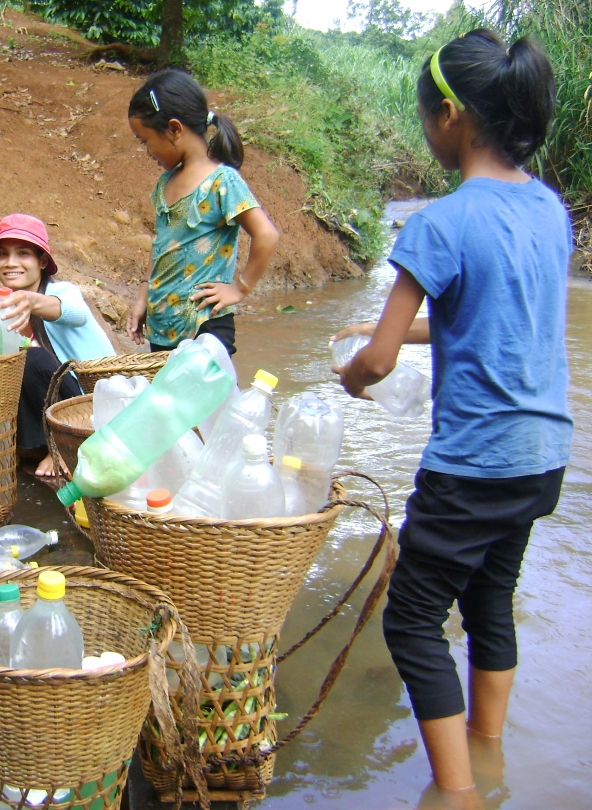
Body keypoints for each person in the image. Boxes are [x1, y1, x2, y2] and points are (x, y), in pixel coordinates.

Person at [333, 29, 571, 807]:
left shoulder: (438, 223)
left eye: (424, 117)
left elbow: (379, 362)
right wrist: (396, 336)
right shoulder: (548, 210)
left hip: (475, 461)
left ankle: (460, 795)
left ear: (451, 115)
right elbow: (493, 317)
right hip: (544, 456)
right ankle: (491, 753)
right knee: (491, 597)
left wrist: (354, 371)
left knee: (411, 622)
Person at [126, 68, 279, 355]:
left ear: (174, 129)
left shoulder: (222, 182)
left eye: (146, 141)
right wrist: (142, 298)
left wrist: (240, 288)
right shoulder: (165, 183)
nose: (147, 151)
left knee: (211, 398)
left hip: (204, 326)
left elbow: (266, 235)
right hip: (162, 327)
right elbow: (162, 245)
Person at [0, 213, 115, 476]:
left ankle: (69, 447)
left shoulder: (61, 292)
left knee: (33, 360)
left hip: (95, 404)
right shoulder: (1, 308)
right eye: (3, 254)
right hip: (54, 408)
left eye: (23, 254)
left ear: (42, 261)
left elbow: (74, 312)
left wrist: (32, 302)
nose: (11, 263)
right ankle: (32, 446)